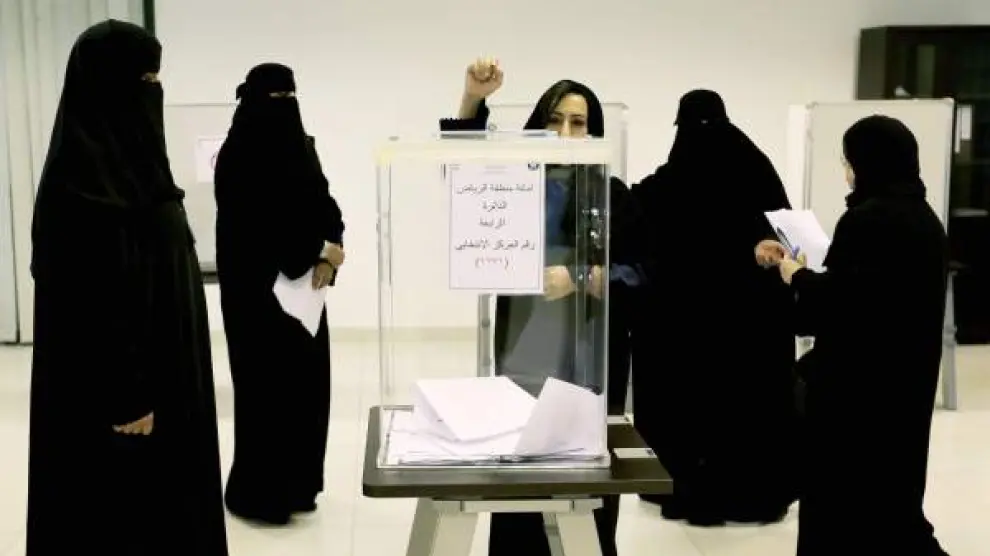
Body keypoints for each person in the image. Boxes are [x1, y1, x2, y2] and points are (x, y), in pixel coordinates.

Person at [27, 20, 228, 556]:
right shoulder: (78, 192)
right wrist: (128, 392)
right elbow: (87, 306)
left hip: (168, 388)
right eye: (144, 80)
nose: (153, 93)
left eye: (157, 79)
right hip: (124, 407)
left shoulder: (142, 175)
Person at [441, 58, 646, 556]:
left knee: (585, 493)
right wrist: (472, 99)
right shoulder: (516, 184)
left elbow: (640, 275)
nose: (564, 133)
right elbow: (464, 174)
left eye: (577, 123)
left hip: (591, 358)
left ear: (594, 133)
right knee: (520, 476)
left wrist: (579, 278)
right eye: (554, 121)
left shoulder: (612, 195)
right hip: (524, 351)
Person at [757, 115, 950, 556]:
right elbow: (877, 298)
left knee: (841, 507)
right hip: (904, 389)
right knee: (893, 507)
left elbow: (838, 308)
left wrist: (795, 275)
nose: (847, 172)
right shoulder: (926, 220)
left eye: (849, 161)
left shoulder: (865, 220)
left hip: (853, 395)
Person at [630, 89, 800, 526]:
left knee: (689, 405)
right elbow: (783, 231)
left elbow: (645, 225)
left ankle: (689, 487)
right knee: (745, 405)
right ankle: (749, 492)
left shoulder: (669, 180)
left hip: (687, 322)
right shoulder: (756, 170)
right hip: (746, 323)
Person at [214, 63, 345, 525]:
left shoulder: (303, 148)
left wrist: (330, 253)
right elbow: (256, 227)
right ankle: (258, 494)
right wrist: (317, 249)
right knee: (264, 395)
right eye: (275, 98)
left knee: (307, 393)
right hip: (254, 297)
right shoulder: (235, 156)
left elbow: (326, 204)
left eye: (290, 97)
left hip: (304, 297)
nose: (284, 107)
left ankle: (299, 485)